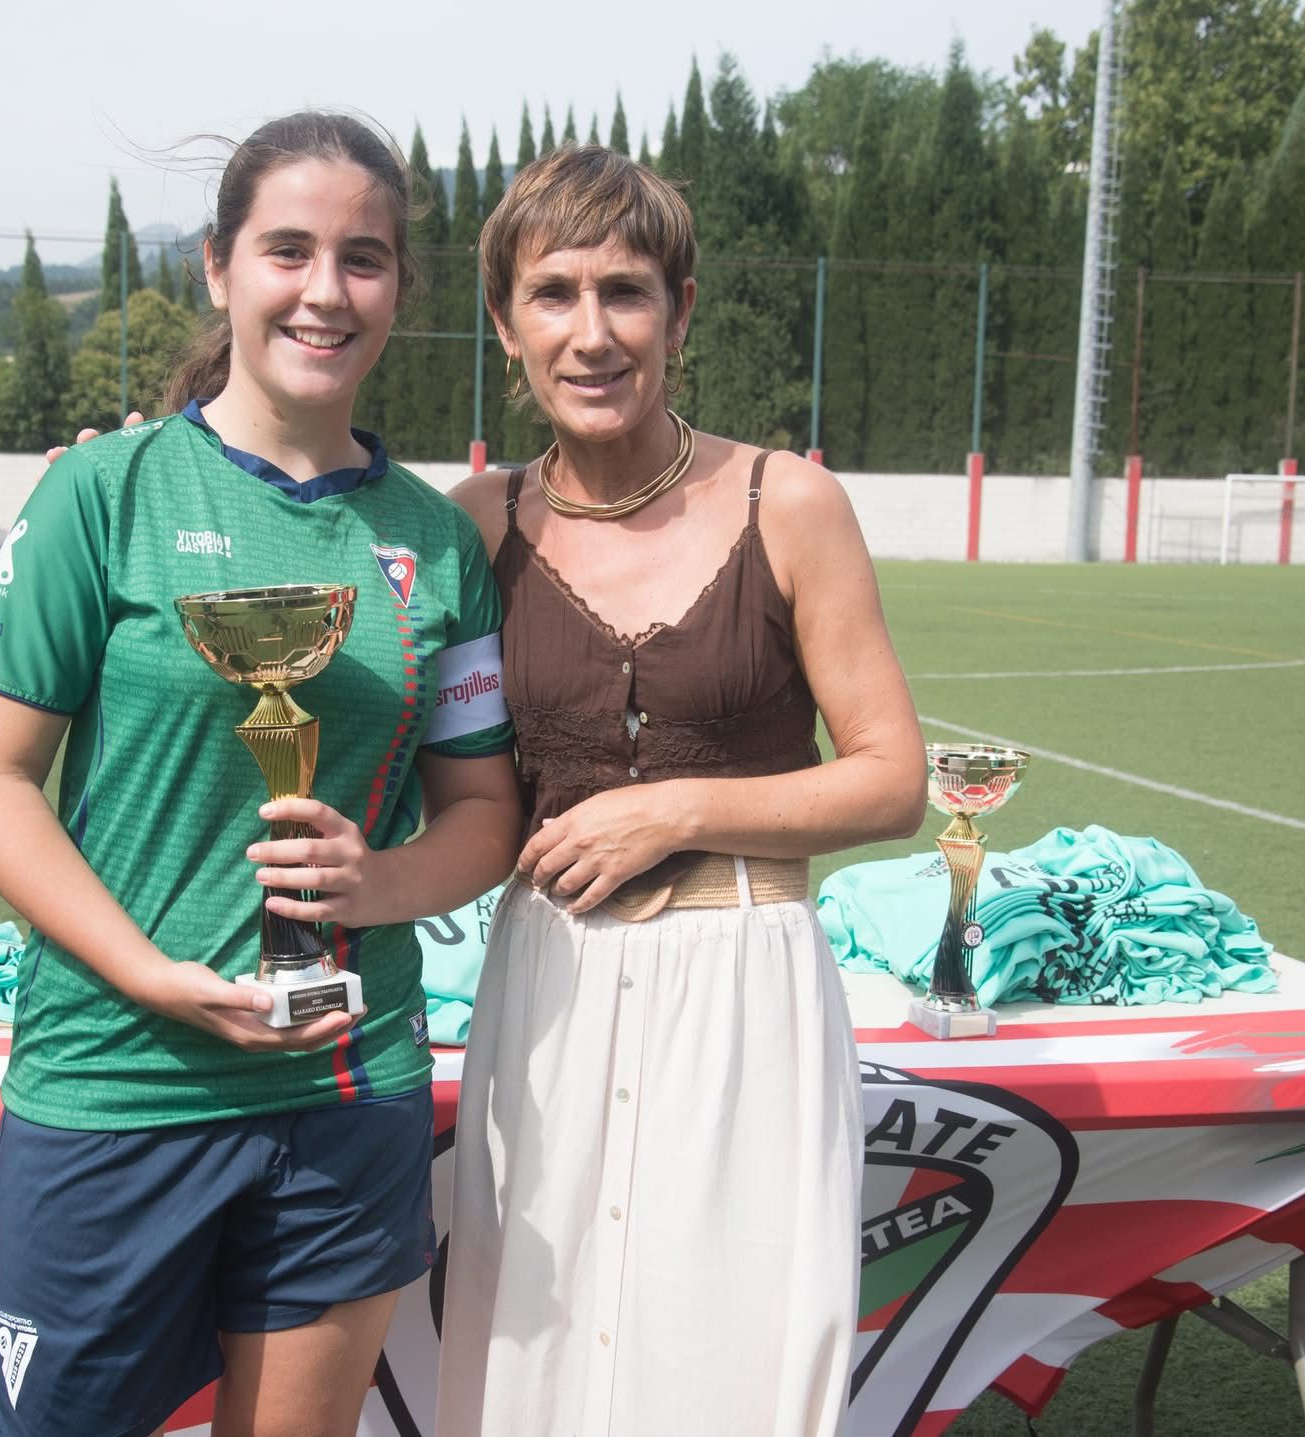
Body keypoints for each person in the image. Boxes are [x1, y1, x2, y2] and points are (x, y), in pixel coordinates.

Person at [0, 111, 522, 1437]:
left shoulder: (434, 538)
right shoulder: (106, 492)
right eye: (290, 250)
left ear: (399, 292)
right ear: (220, 267)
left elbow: (485, 814)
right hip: (117, 1081)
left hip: (345, 1085)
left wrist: (377, 882)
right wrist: (150, 975)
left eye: (364, 259)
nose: (326, 291)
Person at [434, 146, 929, 1437]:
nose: (590, 333)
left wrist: (683, 807)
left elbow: (894, 779)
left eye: (626, 292)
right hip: (545, 985)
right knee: (534, 1348)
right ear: (504, 321)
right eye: (553, 294)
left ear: (682, 310)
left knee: (727, 1355)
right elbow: (438, 786)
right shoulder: (472, 524)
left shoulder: (790, 500)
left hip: (744, 985)